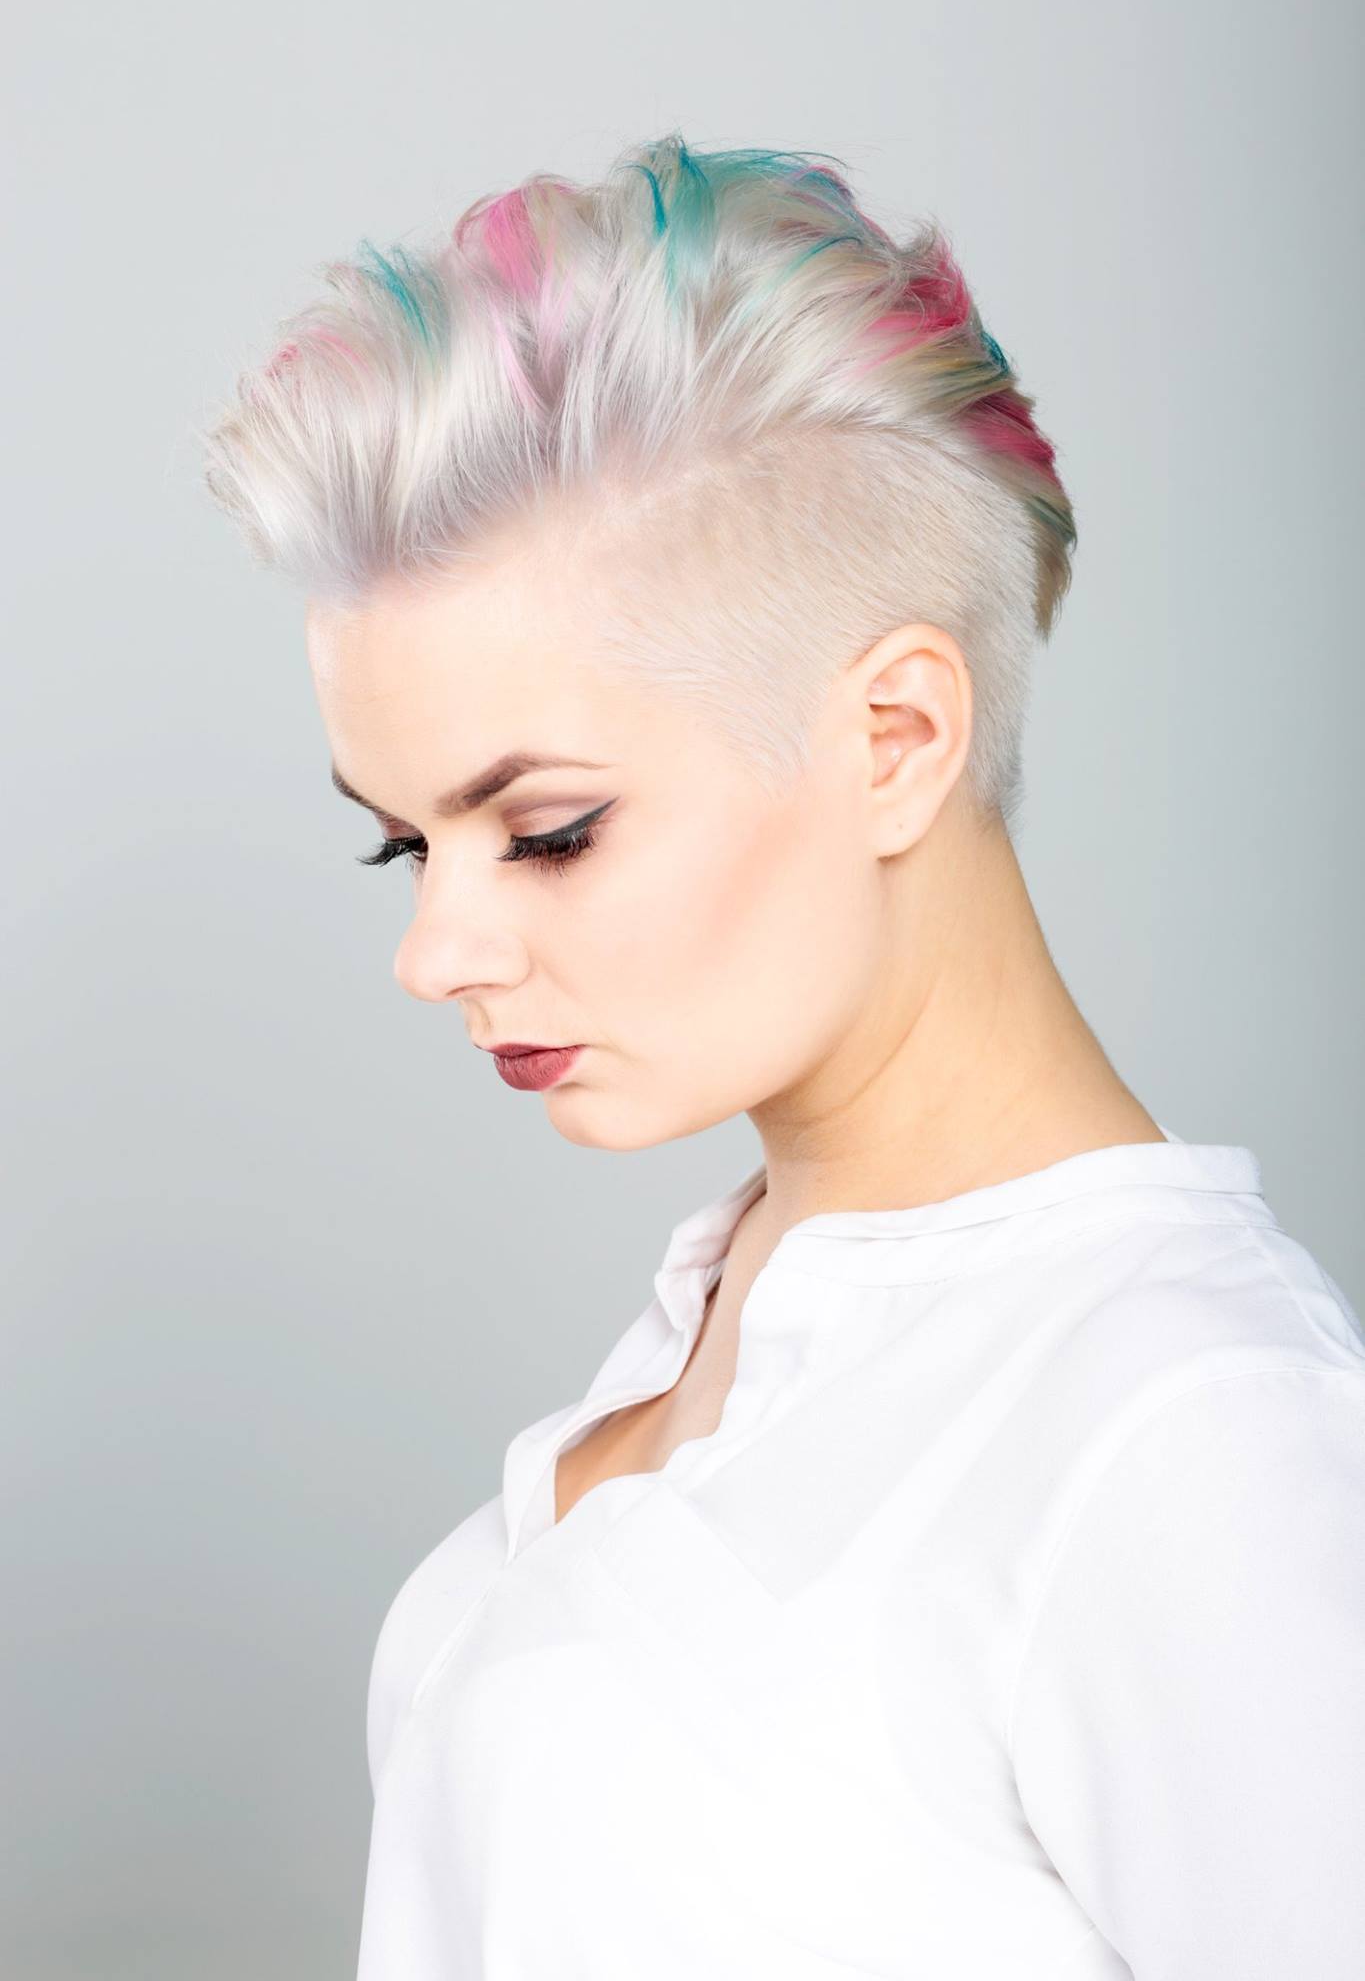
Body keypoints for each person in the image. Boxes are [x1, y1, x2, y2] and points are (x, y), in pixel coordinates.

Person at [199, 134, 1365, 1979]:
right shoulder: (729, 1323)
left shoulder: (1182, 1425)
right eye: (403, 842)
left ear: (894, 736)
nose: (432, 954)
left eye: (548, 831)